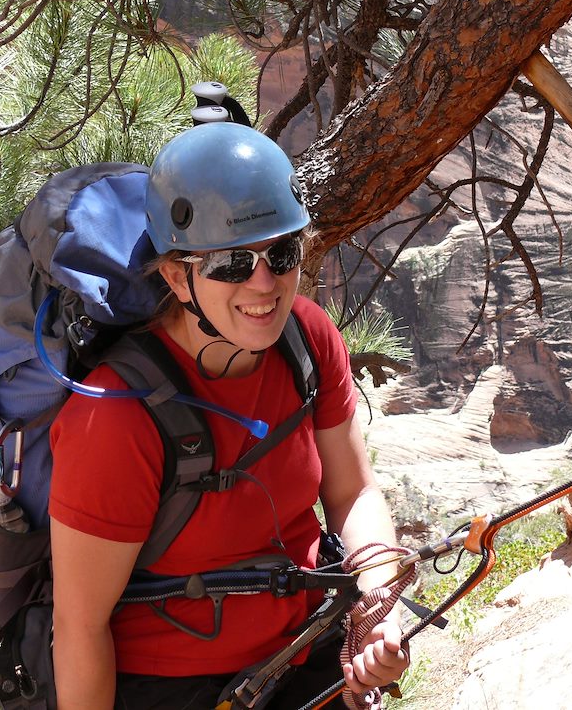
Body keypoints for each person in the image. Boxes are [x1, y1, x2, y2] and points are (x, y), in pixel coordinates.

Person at [47, 122, 410, 710]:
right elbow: (80, 626)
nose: (264, 284)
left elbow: (354, 492)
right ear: (175, 275)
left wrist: (377, 607)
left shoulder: (307, 340)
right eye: (231, 264)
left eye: (281, 253)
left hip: (303, 653)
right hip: (175, 691)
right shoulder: (115, 416)